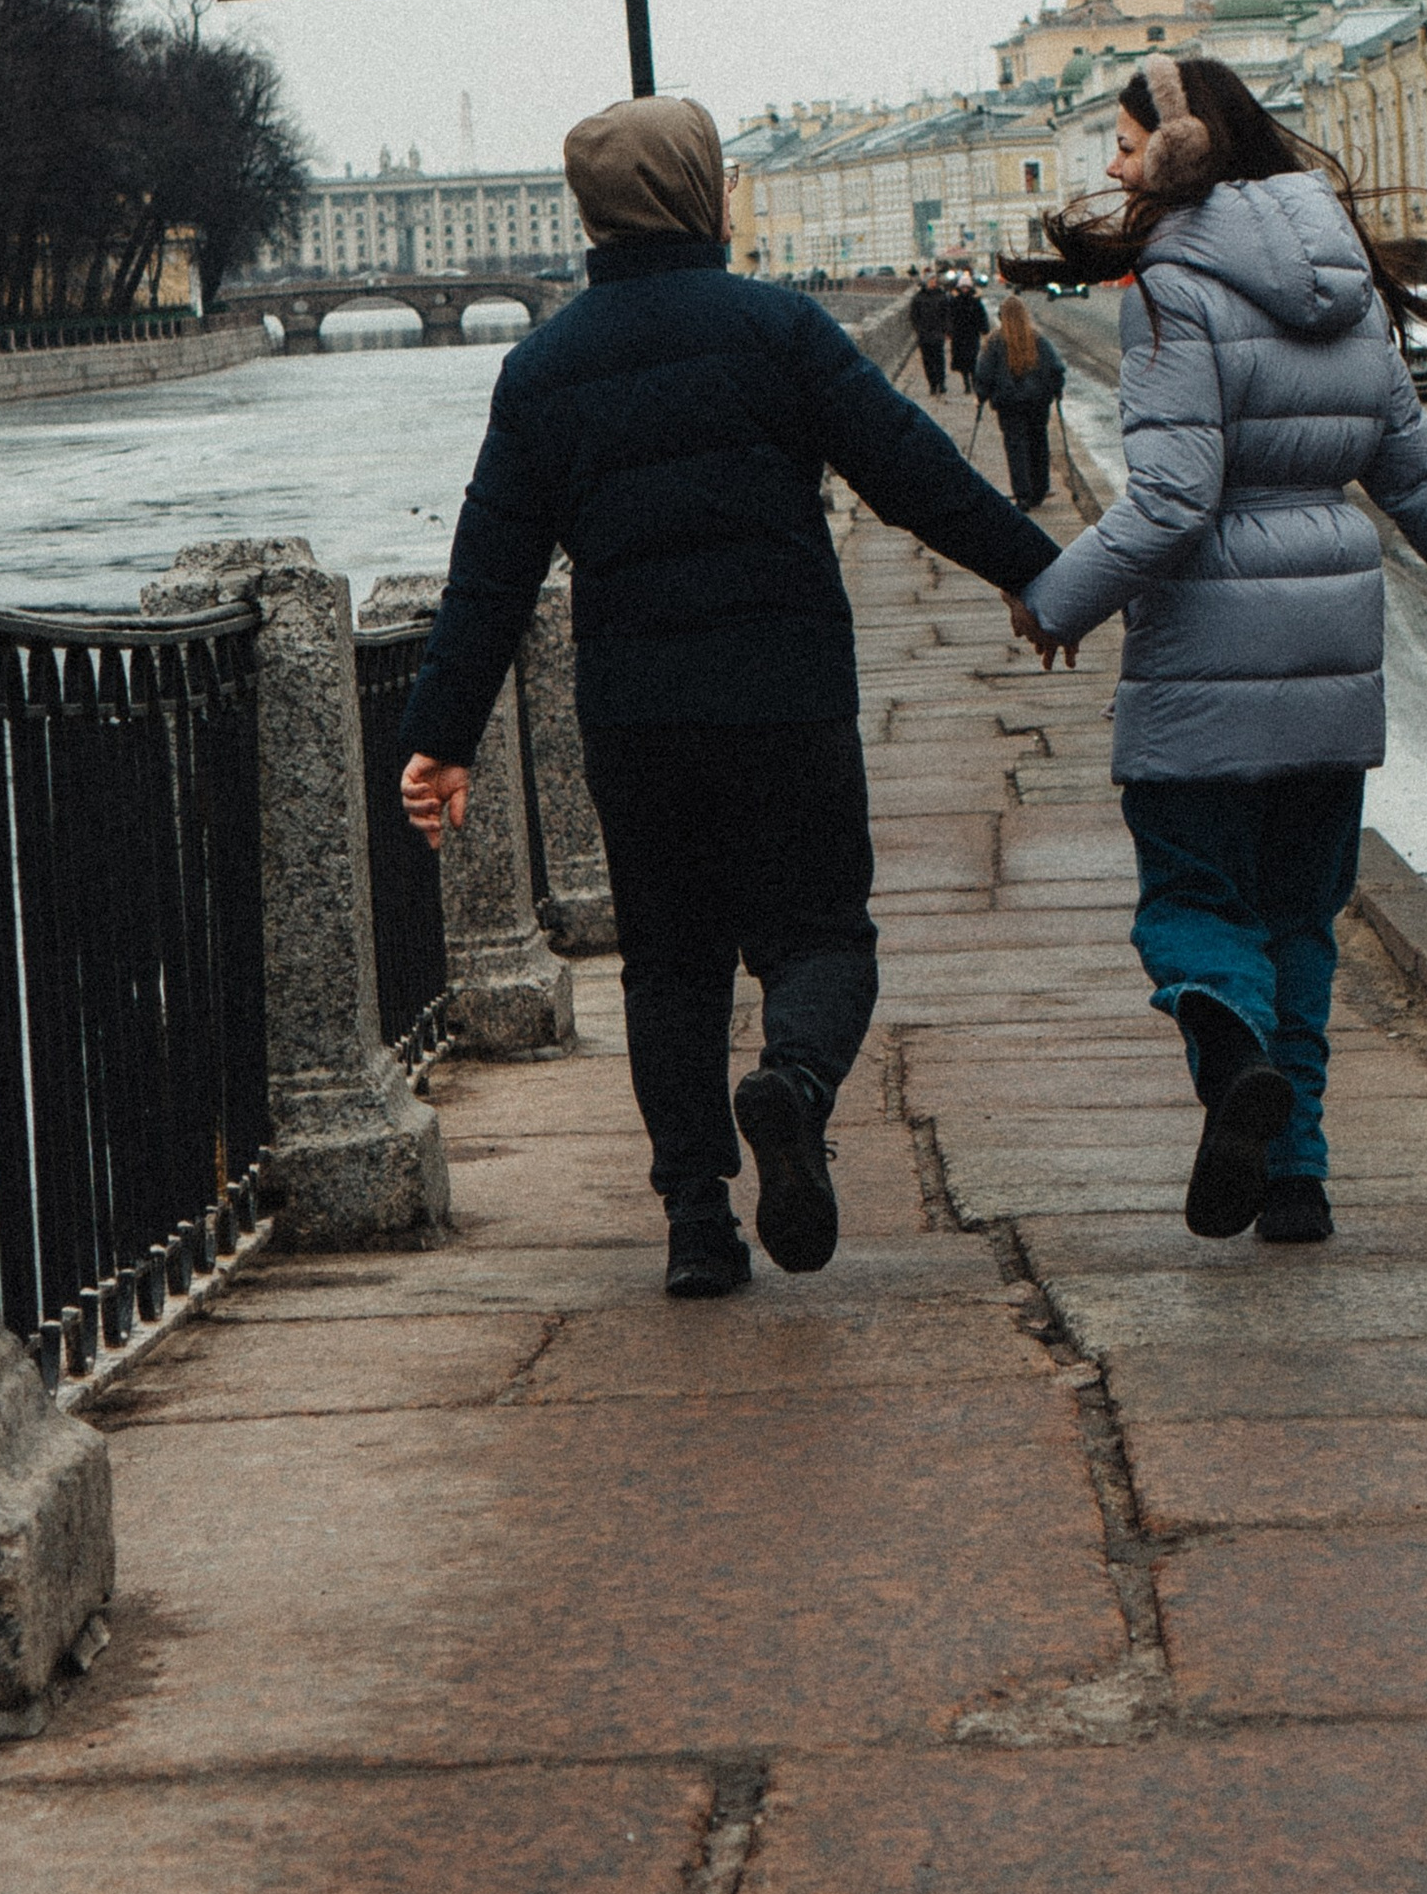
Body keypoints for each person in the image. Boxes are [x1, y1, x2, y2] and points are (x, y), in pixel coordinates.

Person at [397, 95, 1057, 1299]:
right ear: (702, 193)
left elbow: (487, 570)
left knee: (671, 964)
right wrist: (1035, 574)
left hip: (637, 716)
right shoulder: (779, 330)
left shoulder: (541, 367)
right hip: (785, 693)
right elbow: (912, 474)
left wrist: (440, 736)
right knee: (820, 933)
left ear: (590, 211)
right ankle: (794, 1086)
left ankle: (697, 1222)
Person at [1011, 54, 1427, 1246]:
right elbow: (1417, 472)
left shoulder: (1173, 288)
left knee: (1191, 903)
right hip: (1330, 661)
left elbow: (1172, 500)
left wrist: (1055, 601)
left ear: (1179, 149)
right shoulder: (1339, 283)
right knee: (1298, 925)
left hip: (1204, 666)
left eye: (1122, 145)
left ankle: (1229, 1053)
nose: (1111, 170)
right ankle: (1296, 1181)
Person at [973, 292, 1067, 507]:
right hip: (1037, 401)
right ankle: (1039, 490)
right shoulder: (1039, 340)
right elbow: (1055, 368)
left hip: (1008, 404)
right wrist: (1056, 390)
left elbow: (984, 373)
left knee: (1015, 447)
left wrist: (981, 395)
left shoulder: (994, 342)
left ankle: (1022, 493)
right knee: (1038, 444)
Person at [909, 268, 952, 396]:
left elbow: (947, 314)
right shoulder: (918, 297)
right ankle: (932, 384)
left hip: (938, 333)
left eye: (935, 280)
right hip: (924, 334)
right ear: (926, 282)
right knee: (928, 360)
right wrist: (919, 329)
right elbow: (913, 316)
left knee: (939, 359)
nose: (934, 282)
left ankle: (941, 383)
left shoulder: (942, 295)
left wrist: (947, 330)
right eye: (931, 280)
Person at [943, 272, 991, 378]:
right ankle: (966, 382)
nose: (965, 289)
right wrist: (949, 330)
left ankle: (974, 379)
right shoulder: (954, 301)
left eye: (967, 287)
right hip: (959, 334)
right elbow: (950, 317)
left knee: (973, 357)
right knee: (962, 360)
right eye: (963, 287)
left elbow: (982, 316)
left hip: (972, 334)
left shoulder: (975, 301)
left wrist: (984, 329)